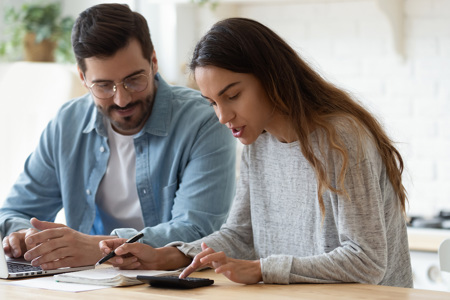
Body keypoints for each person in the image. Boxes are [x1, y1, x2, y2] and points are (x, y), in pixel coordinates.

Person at [99, 17, 413, 287]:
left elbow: (367, 261)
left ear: (270, 77)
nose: (223, 116)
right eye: (212, 102)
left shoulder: (339, 138)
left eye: (232, 95)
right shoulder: (257, 143)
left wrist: (263, 269)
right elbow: (242, 235)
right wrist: (171, 255)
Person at [0, 4, 236, 270]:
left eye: (134, 80)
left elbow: (197, 230)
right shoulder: (67, 123)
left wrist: (95, 248)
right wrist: (25, 237)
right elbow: (14, 211)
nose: (122, 98)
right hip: (84, 283)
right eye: (103, 86)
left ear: (153, 62)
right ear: (83, 77)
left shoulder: (204, 120)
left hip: (171, 280)